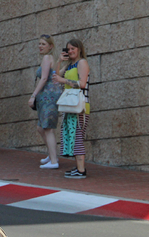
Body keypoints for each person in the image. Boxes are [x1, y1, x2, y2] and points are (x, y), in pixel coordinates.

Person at [53, 38, 91, 179]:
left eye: (73, 49)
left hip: (80, 105)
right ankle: (78, 168)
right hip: (70, 105)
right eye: (68, 49)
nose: (70, 51)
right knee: (71, 136)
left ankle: (81, 170)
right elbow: (55, 77)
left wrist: (63, 80)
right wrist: (59, 61)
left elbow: (82, 83)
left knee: (78, 136)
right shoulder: (70, 65)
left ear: (79, 49)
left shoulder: (82, 63)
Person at [29, 34, 63, 169]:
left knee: (47, 128)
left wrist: (33, 95)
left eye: (43, 44)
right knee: (41, 127)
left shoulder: (47, 58)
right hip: (51, 96)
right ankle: (51, 154)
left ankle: (54, 161)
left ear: (50, 46)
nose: (40, 46)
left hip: (47, 96)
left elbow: (43, 79)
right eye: (39, 44)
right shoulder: (53, 59)